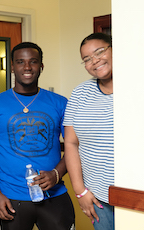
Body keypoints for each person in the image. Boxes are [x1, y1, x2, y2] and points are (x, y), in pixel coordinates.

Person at [0, 42, 75, 230]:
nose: (27, 67)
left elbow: (74, 145)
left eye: (33, 61)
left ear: (41, 66)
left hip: (54, 196)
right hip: (11, 198)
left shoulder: (60, 103)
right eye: (20, 62)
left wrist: (56, 174)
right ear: (12, 67)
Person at [63, 33, 114, 230]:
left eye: (99, 52)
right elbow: (70, 142)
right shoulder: (80, 93)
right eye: (87, 59)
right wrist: (80, 191)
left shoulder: (136, 86)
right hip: (97, 197)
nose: (95, 61)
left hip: (133, 192)